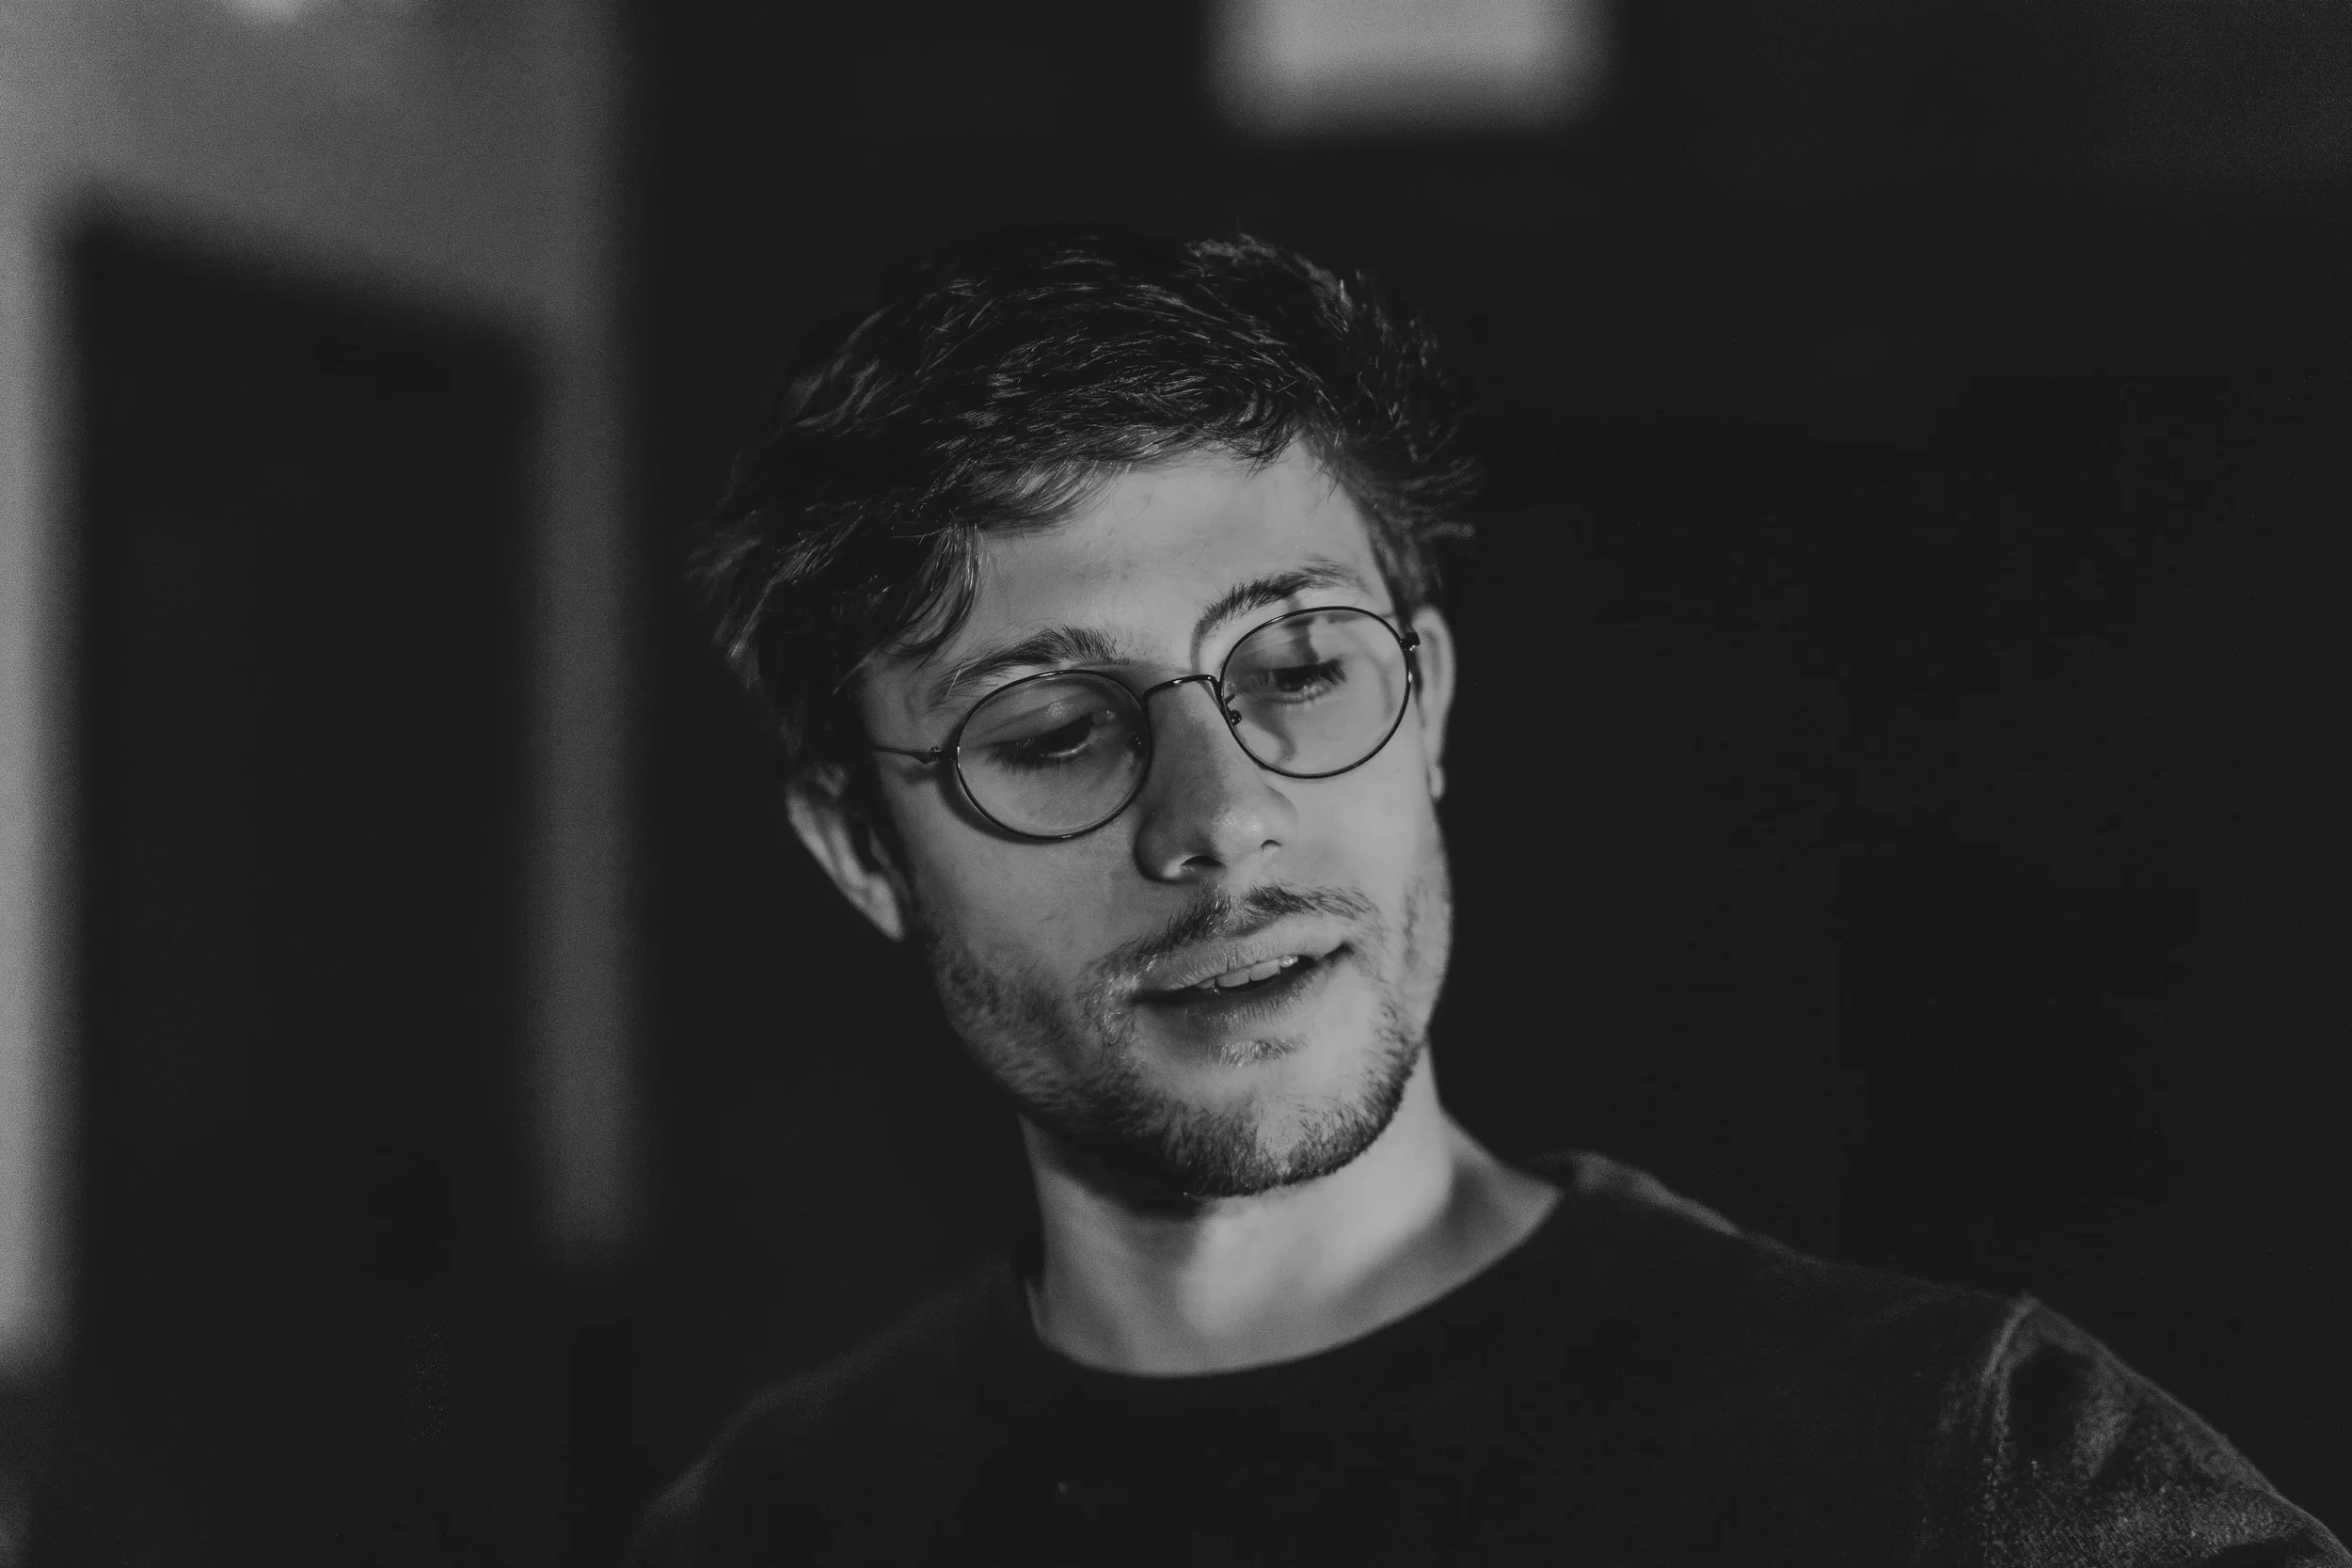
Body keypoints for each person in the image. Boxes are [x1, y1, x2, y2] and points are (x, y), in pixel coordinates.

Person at [630, 229, 2344, 1566]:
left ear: (1428, 705)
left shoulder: (1951, 1473)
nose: (1223, 822)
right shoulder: (773, 1525)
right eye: (1058, 730)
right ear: (863, 849)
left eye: (1299, 664)